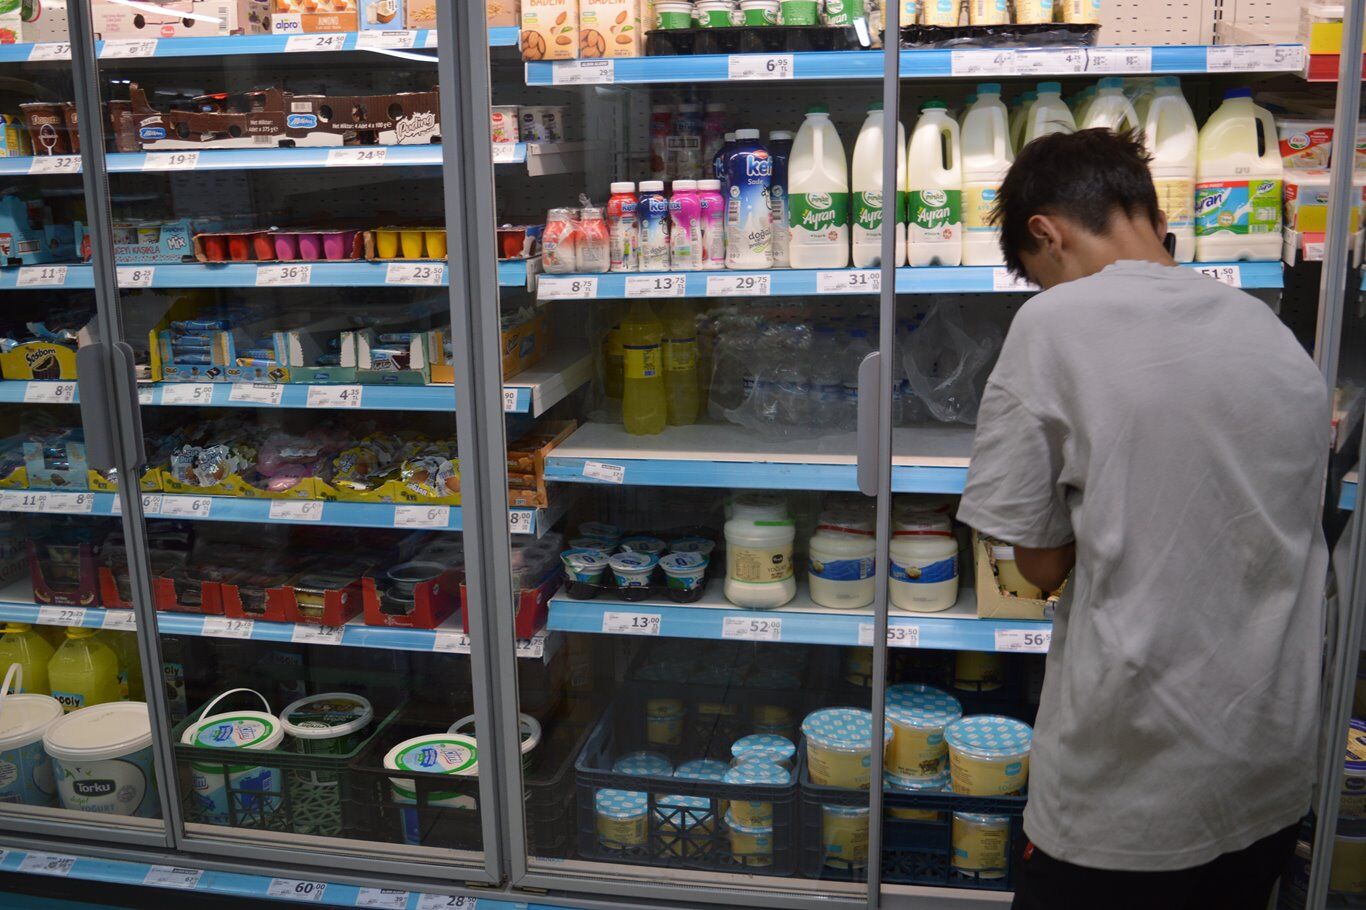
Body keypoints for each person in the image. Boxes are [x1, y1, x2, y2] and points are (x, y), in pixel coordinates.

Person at [956, 128, 1329, 909]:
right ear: (1153, 217)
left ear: (1046, 233)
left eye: (1041, 276)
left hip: (1130, 786)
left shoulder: (1054, 325)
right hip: (1266, 767)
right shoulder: (1267, 332)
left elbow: (1038, 568)